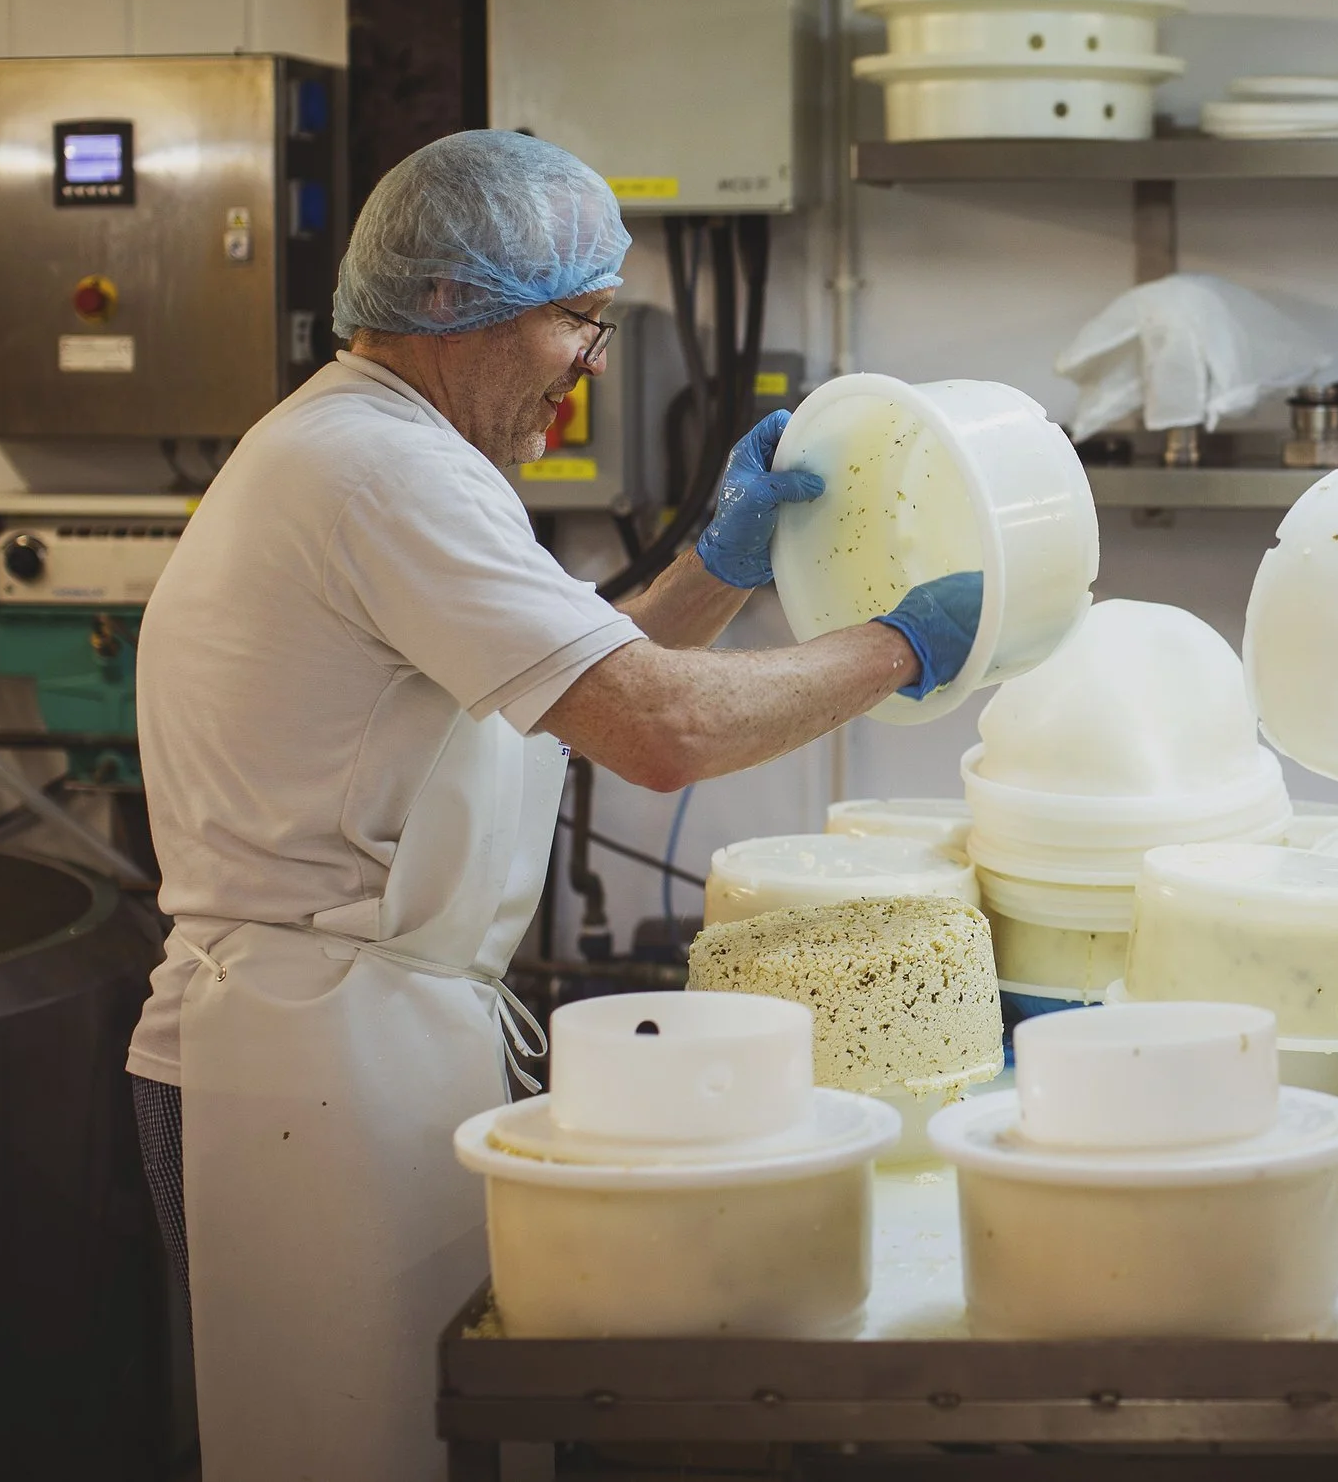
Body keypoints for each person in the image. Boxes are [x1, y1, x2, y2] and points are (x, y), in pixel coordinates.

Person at [122, 130, 980, 1482]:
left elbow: (583, 679)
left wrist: (718, 561)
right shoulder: (382, 472)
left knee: (426, 1431)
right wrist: (902, 645)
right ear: (453, 304)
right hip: (290, 1060)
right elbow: (659, 726)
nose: (596, 363)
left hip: (349, 1035)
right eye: (579, 319)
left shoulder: (376, 446)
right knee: (346, 1446)